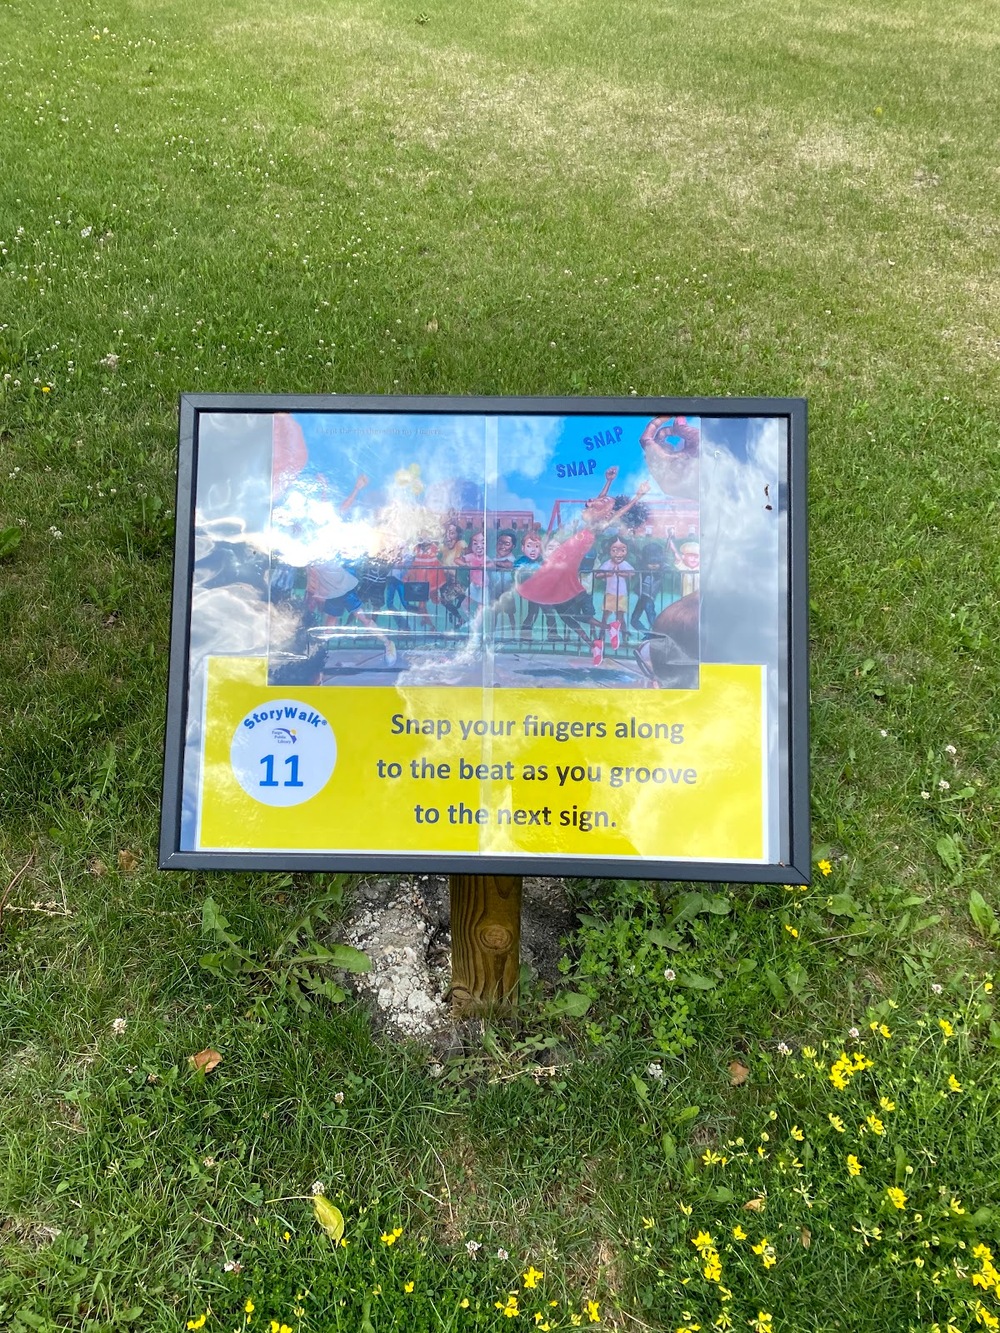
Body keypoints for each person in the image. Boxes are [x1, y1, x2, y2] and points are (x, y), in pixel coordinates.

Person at [518, 467, 650, 648]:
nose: (592, 502)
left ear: (607, 514)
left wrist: (638, 496)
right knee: (565, 613)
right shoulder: (590, 521)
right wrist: (608, 482)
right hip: (562, 564)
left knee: (571, 610)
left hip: (565, 567)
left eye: (602, 502)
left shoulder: (597, 525)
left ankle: (605, 632)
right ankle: (596, 639)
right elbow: (598, 503)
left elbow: (614, 511)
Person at [594, 535, 634, 649]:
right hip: (610, 593)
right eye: (614, 550)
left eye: (622, 550)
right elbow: (598, 575)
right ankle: (601, 636)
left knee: (620, 616)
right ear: (609, 550)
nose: (618, 553)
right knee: (605, 615)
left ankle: (624, 637)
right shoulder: (608, 563)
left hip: (621, 594)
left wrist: (622, 573)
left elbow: (632, 573)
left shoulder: (624, 564)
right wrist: (609, 573)